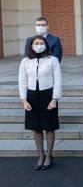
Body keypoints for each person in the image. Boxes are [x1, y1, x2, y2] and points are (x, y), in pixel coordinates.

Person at [19, 35, 62, 171]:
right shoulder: (25, 61)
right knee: (36, 128)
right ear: (31, 46)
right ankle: (40, 155)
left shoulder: (53, 60)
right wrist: (24, 100)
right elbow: (22, 81)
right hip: (31, 96)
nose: (39, 45)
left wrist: (55, 99)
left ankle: (49, 155)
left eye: (41, 43)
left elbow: (58, 81)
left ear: (46, 45)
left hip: (48, 95)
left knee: (49, 127)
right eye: (36, 43)